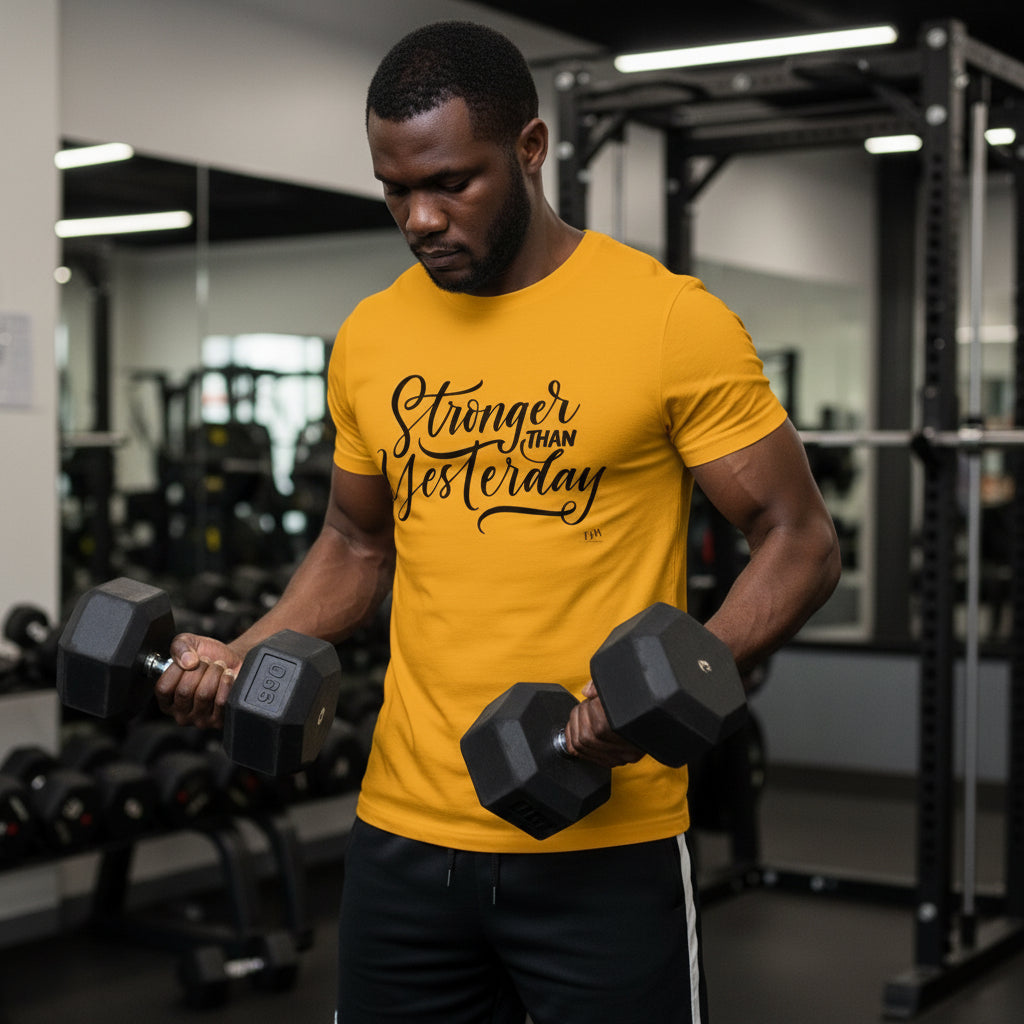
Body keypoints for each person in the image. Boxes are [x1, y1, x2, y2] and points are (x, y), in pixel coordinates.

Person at [154, 20, 840, 1023]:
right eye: (396, 192)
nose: (421, 218)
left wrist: (667, 688)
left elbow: (800, 539)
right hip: (403, 833)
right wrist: (245, 650)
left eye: (451, 183)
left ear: (529, 150)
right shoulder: (375, 334)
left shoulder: (666, 320)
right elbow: (355, 544)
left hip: (601, 833)